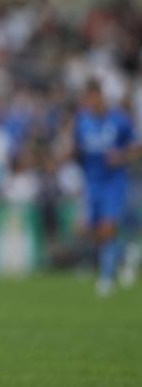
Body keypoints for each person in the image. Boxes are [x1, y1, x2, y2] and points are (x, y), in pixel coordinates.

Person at [72, 79, 139, 296]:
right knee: (90, 231)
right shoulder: (82, 122)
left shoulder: (120, 121)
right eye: (88, 97)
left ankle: (106, 278)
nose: (91, 101)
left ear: (101, 97)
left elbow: (138, 147)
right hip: (92, 183)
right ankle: (125, 255)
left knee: (108, 228)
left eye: (94, 96)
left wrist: (123, 156)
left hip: (114, 183)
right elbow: (78, 151)